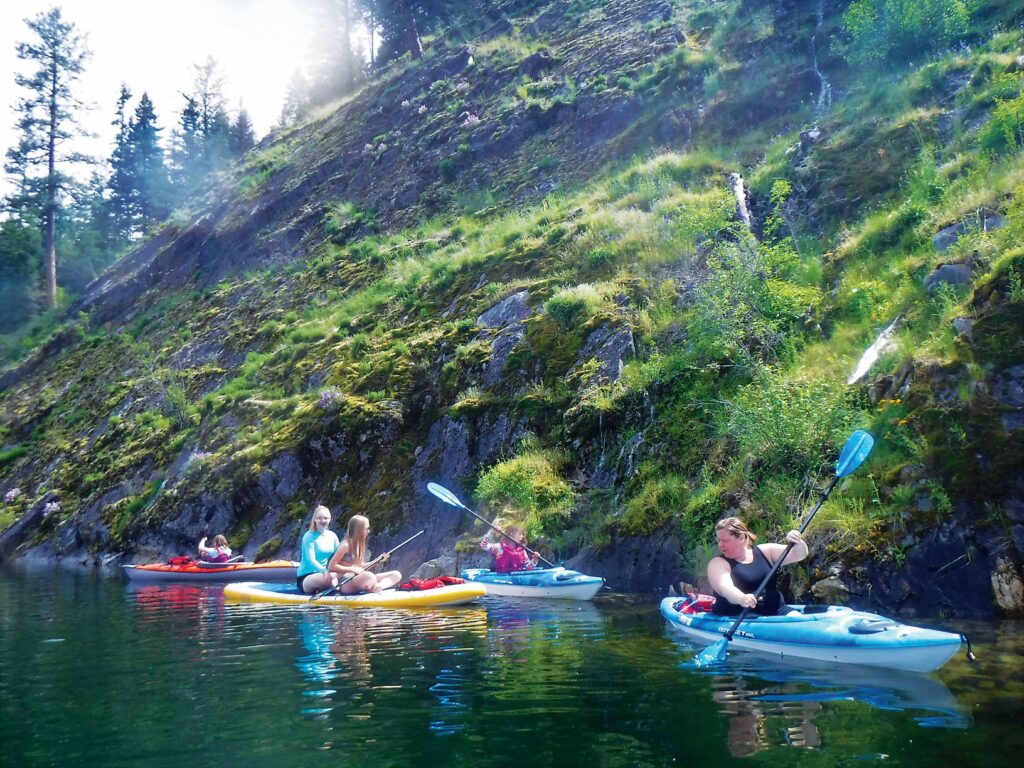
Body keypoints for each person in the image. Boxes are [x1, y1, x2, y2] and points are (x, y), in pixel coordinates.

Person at [707, 517, 807, 616]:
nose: (720, 545)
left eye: (725, 541)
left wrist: (797, 541)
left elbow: (799, 554)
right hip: (740, 615)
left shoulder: (767, 551)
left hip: (776, 609)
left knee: (799, 621)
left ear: (741, 538)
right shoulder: (718, 563)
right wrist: (741, 598)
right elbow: (725, 588)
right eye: (719, 540)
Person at [328, 514, 402, 594]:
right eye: (366, 528)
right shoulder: (345, 545)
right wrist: (352, 569)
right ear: (358, 530)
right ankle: (373, 586)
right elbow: (331, 566)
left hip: (359, 579)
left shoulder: (358, 545)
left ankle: (378, 587)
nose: (368, 531)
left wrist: (378, 560)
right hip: (345, 582)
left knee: (396, 574)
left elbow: (360, 566)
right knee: (370, 576)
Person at [296, 505, 341, 594]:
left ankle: (333, 586)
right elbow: (311, 560)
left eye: (325, 518)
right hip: (307, 576)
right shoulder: (309, 536)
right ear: (315, 519)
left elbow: (339, 556)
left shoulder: (332, 536)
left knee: (341, 574)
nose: (322, 521)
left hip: (326, 573)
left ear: (330, 519)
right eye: (319, 518)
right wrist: (325, 571)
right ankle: (334, 586)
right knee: (329, 577)